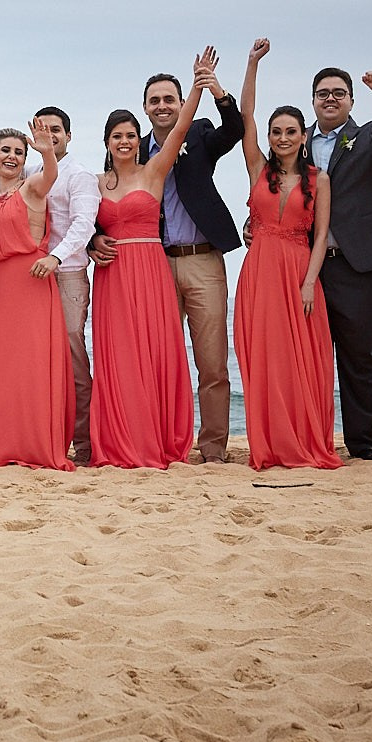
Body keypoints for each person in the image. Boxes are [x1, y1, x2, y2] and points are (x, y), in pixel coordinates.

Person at [96, 54, 245, 462]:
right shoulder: (133, 150)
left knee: (211, 360)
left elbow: (236, 129)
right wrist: (95, 240)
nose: (162, 105)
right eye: (154, 100)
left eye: (169, 99)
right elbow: (99, 209)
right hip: (152, 265)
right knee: (158, 357)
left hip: (202, 259)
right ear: (145, 107)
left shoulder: (196, 136)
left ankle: (213, 448)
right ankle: (156, 435)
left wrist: (212, 88)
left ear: (179, 103)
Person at [231, 40, 340, 472]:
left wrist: (310, 281)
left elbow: (320, 236)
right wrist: (252, 64)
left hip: (298, 270)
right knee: (265, 358)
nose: (281, 138)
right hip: (259, 273)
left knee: (302, 361)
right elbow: (246, 117)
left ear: (303, 136)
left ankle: (302, 439)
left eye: (290, 131)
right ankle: (270, 444)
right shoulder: (258, 168)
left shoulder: (320, 179)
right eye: (276, 132)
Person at [305, 64, 372, 461]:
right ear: (313, 100)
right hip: (308, 268)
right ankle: (311, 440)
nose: (330, 98)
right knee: (309, 356)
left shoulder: (369, 136)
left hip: (359, 265)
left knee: (360, 356)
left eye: (338, 92)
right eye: (322, 93)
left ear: (350, 99)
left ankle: (364, 445)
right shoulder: (296, 141)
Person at [0, 126, 74, 472]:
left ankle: (34, 443)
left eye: (18, 152)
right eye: (5, 151)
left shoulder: (32, 187)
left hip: (32, 283)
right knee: (1, 368)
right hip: (1, 286)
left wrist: (46, 152)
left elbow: (51, 175)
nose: (12, 156)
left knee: (32, 366)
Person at [31, 107, 100, 464]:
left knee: (74, 356)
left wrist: (56, 257)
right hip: (34, 279)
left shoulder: (80, 175)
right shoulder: (32, 171)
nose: (50, 135)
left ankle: (84, 444)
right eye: (43, 129)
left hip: (69, 273)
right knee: (42, 359)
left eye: (56, 130)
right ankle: (48, 440)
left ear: (68, 136)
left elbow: (83, 225)